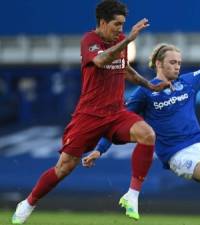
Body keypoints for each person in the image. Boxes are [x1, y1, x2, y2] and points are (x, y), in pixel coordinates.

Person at [82, 9, 200, 223]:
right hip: (177, 153)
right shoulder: (145, 92)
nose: (177, 67)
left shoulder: (187, 82)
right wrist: (99, 150)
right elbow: (118, 123)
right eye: (172, 63)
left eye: (179, 63)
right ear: (158, 64)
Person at [11, 1, 170, 224]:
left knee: (148, 135)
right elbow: (102, 59)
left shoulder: (120, 40)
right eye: (116, 24)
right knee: (65, 167)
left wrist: (150, 86)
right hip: (89, 115)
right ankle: (28, 203)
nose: (120, 29)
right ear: (103, 22)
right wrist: (129, 39)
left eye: (123, 25)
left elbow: (124, 68)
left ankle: (132, 195)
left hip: (116, 113)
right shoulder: (90, 40)